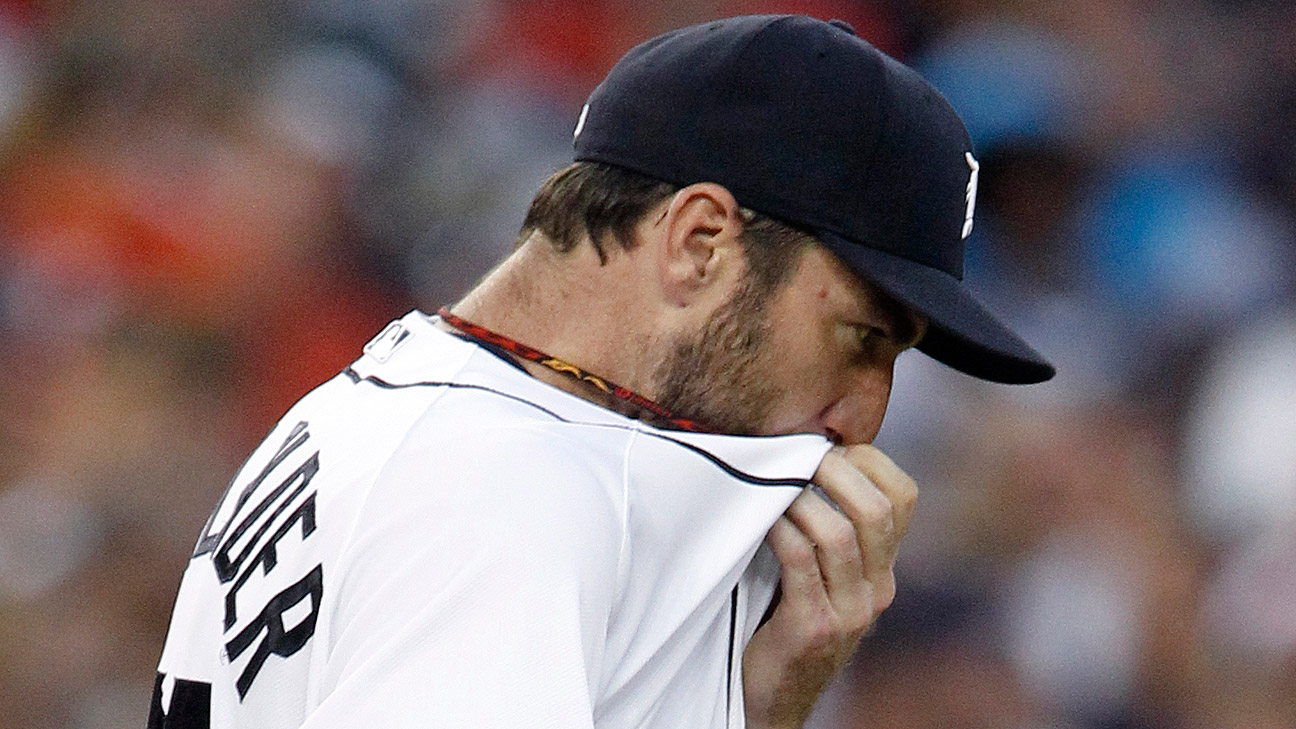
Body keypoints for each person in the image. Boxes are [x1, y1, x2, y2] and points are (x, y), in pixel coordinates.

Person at [149, 14, 1053, 729]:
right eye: (861, 338)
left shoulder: (398, 398)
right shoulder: (512, 486)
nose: (864, 417)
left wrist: (755, 705)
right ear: (700, 243)